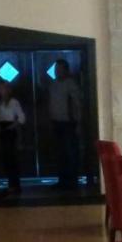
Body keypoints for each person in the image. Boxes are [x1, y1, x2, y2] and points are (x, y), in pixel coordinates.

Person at [46, 59, 83, 188]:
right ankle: (62, 180)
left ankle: (72, 181)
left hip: (69, 123)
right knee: (60, 153)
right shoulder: (53, 85)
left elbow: (77, 104)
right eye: (55, 69)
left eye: (59, 69)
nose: (57, 72)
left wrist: (79, 122)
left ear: (66, 70)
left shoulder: (71, 84)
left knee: (70, 152)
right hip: (56, 122)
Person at [0, 81, 26, 197]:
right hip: (3, 130)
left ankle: (15, 185)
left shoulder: (14, 102)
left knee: (12, 159)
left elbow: (22, 118)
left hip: (10, 131)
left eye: (2, 88)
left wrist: (12, 126)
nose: (0, 91)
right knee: (6, 159)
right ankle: (10, 184)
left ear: (8, 90)